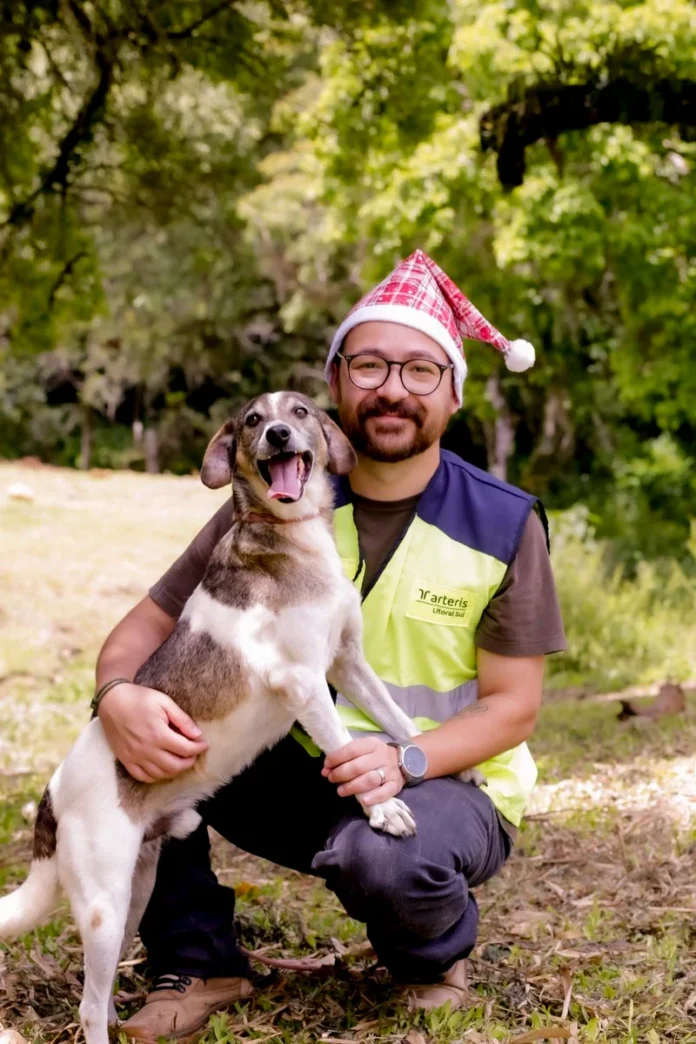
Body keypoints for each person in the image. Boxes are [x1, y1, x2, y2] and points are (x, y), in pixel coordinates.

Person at [95, 250, 566, 1041]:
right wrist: (118, 699)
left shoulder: (502, 521)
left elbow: (514, 708)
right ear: (335, 388)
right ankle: (199, 959)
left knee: (387, 861)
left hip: (444, 776)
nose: (391, 388)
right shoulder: (277, 493)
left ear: (453, 392)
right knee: (132, 753)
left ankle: (431, 955)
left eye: (420, 370)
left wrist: (406, 759)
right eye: (370, 365)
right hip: (297, 760)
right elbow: (140, 631)